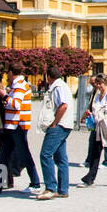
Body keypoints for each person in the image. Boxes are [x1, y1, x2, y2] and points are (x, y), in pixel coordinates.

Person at [0, 73, 41, 195]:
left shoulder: (19, 85)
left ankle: (35, 183)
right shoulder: (18, 85)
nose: (6, 76)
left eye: (7, 73)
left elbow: (16, 104)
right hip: (12, 125)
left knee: (24, 155)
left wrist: (4, 96)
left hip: (17, 125)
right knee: (3, 155)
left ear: (11, 73)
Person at [36, 66, 74, 200]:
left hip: (59, 125)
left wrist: (54, 123)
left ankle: (50, 188)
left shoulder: (57, 87)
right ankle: (63, 189)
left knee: (45, 154)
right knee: (60, 157)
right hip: (65, 125)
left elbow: (63, 105)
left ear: (48, 77)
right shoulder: (63, 85)